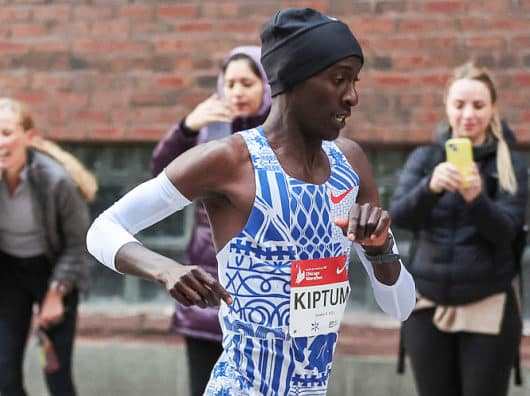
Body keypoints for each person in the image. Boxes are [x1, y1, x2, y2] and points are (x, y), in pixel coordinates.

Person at [87, 8, 416, 395]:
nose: (353, 96)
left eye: (354, 81)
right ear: (294, 79)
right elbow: (102, 229)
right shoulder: (229, 160)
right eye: (339, 79)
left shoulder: (351, 163)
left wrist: (379, 251)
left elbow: (400, 307)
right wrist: (166, 269)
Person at [390, 62, 528, 396]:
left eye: (478, 106)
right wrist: (430, 188)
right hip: (426, 303)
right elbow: (398, 217)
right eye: (459, 105)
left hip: (487, 305)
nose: (468, 115)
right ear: (447, 108)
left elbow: (508, 233)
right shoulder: (425, 159)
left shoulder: (510, 165)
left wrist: (476, 199)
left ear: (493, 108)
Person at [151, 45, 272, 396]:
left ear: (266, 85)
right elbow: (160, 176)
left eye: (246, 83)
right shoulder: (208, 132)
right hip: (208, 285)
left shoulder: (279, 133)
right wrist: (187, 128)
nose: (236, 92)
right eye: (229, 83)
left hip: (262, 289)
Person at [0, 98, 92, 396]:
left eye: (6, 133)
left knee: (55, 373)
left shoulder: (56, 182)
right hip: (10, 274)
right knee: (4, 374)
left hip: (54, 273)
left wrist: (55, 293)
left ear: (28, 137)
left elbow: (79, 243)